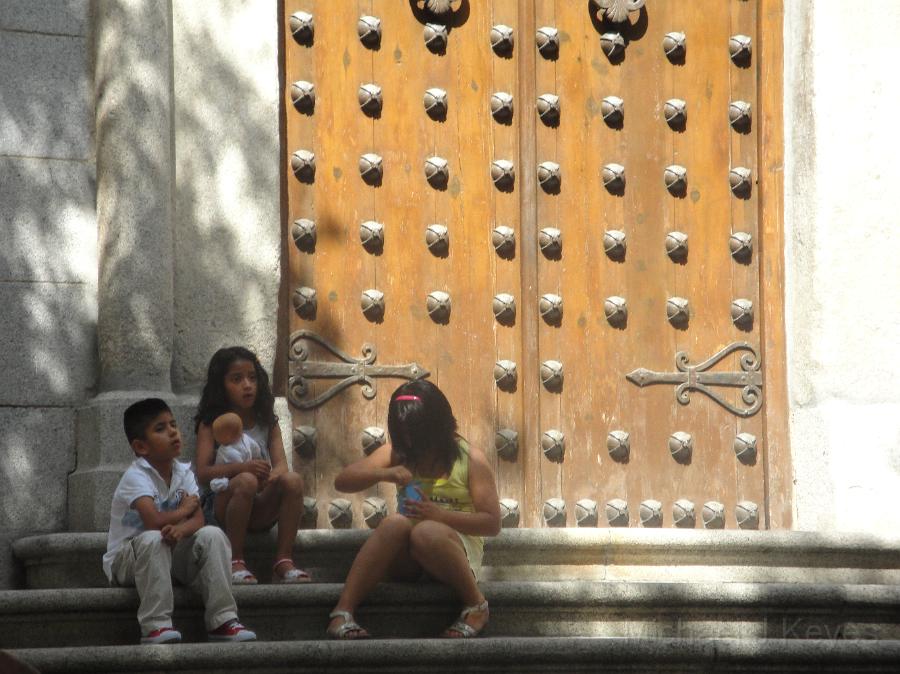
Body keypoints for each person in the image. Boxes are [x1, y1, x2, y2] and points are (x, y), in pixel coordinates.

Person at [326, 380, 501, 640]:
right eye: (403, 433)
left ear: (436, 427)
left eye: (416, 433)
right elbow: (343, 481)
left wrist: (439, 516)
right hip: (409, 560)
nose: (409, 441)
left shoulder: (470, 459)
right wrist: (386, 473)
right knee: (393, 524)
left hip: (452, 552)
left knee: (427, 532)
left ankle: (476, 606)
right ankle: (342, 611)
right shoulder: (400, 453)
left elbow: (492, 523)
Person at [103, 398, 257, 644]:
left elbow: (197, 519)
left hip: (169, 553)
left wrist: (180, 528)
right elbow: (153, 521)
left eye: (173, 424)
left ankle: (223, 620)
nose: (173, 432)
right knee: (154, 539)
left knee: (213, 534)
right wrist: (182, 511)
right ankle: (156, 626)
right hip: (127, 561)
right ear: (141, 446)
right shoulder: (136, 476)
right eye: (160, 428)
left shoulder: (183, 472)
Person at [194, 346, 309, 584]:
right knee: (246, 481)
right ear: (221, 385)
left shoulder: (266, 420)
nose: (247, 385)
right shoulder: (212, 423)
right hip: (224, 506)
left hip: (260, 504)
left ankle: (284, 560)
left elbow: (281, 466)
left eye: (252, 378)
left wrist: (270, 478)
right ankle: (235, 560)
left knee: (293, 480)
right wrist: (243, 469)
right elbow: (203, 473)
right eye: (237, 379)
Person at [208, 412, 264, 494]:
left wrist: (258, 457)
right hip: (232, 478)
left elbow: (255, 447)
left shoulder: (244, 438)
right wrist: (246, 467)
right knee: (245, 480)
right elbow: (239, 464)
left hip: (250, 468)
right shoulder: (225, 451)